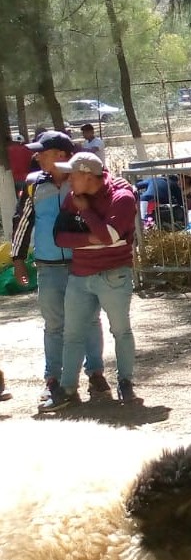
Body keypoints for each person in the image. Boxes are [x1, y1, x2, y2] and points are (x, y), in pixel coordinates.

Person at [13, 132, 109, 411]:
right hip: (48, 267)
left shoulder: (81, 182)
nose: (36, 156)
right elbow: (22, 221)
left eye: (42, 152)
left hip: (83, 265)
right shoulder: (33, 184)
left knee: (90, 320)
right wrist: (18, 259)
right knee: (54, 324)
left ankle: (96, 374)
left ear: (60, 156)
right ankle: (53, 379)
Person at [49, 152, 139, 410]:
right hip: (80, 275)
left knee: (121, 331)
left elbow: (110, 236)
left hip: (114, 275)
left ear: (87, 176)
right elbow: (59, 236)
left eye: (72, 175)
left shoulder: (121, 197)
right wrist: (91, 238)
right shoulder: (73, 197)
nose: (68, 181)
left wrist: (87, 213)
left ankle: (125, 382)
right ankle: (68, 389)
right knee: (72, 334)